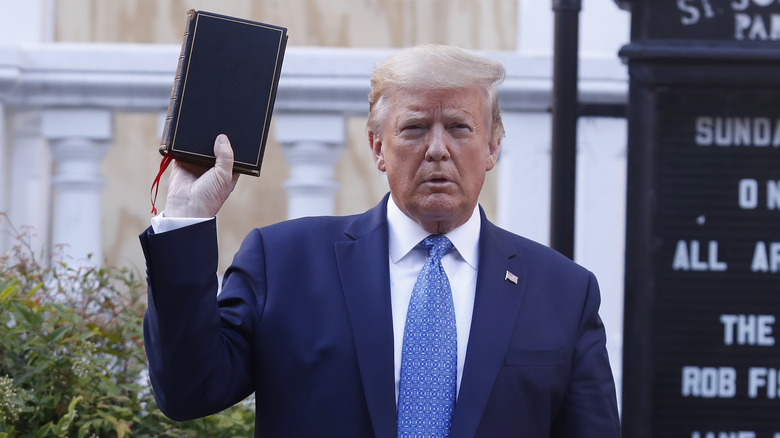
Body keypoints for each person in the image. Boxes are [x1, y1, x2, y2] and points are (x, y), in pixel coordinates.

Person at [141, 45, 620, 437]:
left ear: (493, 146)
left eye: (459, 127)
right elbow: (188, 391)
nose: (437, 149)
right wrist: (187, 218)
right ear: (377, 148)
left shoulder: (562, 291)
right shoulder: (286, 262)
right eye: (414, 128)